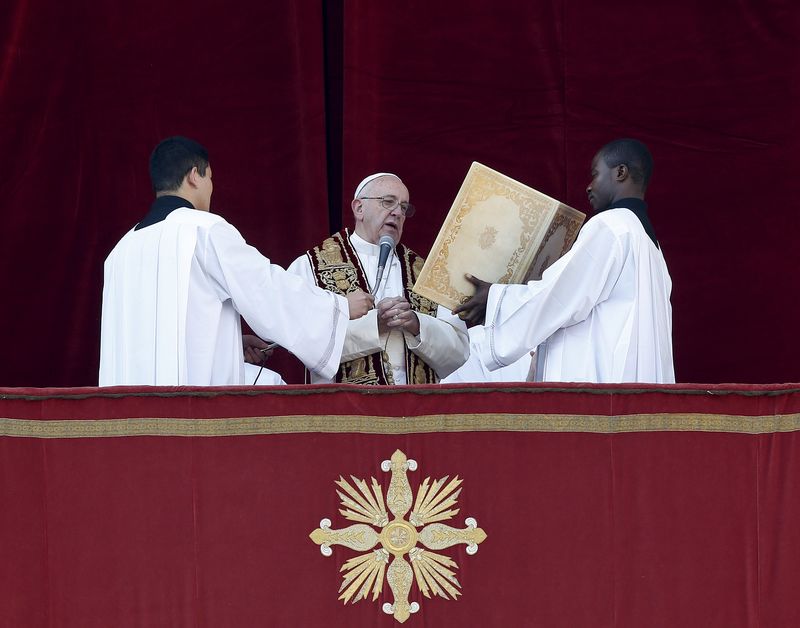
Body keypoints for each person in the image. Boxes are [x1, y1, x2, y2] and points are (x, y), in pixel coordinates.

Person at [99, 136, 372, 386]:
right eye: (210, 179)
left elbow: (153, 336)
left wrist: (227, 343)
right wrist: (337, 305)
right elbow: (264, 287)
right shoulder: (203, 230)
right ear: (195, 175)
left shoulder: (120, 251)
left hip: (130, 413)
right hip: (190, 408)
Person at [454, 138, 674, 383]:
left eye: (595, 174)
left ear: (620, 172)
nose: (589, 187)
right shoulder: (652, 248)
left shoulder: (611, 226)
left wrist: (495, 299)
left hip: (600, 386)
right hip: (634, 388)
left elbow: (560, 297)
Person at [287, 173, 469, 384]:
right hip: (346, 411)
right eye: (388, 202)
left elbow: (459, 351)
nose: (397, 213)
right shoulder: (310, 266)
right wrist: (375, 326)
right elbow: (300, 339)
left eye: (404, 207)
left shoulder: (426, 274)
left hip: (415, 408)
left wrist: (417, 325)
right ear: (359, 208)